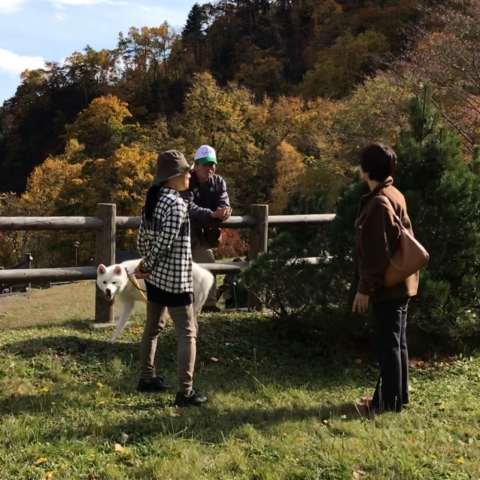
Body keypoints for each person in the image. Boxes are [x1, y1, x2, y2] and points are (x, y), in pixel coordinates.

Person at [134, 150, 207, 408]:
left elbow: (142, 237)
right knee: (188, 334)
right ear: (173, 176)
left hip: (155, 280)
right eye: (186, 171)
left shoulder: (153, 199)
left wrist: (146, 265)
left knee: (152, 329)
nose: (190, 174)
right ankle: (185, 393)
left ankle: (146, 378)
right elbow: (166, 242)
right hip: (176, 281)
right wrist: (147, 265)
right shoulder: (176, 203)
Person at [352, 144, 419, 415]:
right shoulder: (393, 193)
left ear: (366, 170)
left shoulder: (379, 202)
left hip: (388, 286)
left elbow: (376, 253)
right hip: (401, 282)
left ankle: (387, 404)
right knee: (397, 342)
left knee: (387, 344)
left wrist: (364, 289)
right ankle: (396, 397)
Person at [181, 145, 232, 313]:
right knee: (178, 270)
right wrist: (212, 214)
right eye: (204, 164)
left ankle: (209, 305)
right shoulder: (184, 180)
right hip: (179, 233)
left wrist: (224, 211)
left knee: (208, 263)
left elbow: (223, 201)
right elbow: (188, 207)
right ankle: (176, 307)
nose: (209, 168)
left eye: (212, 164)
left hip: (200, 235)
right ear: (195, 165)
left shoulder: (218, 182)